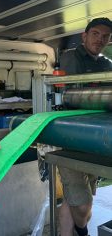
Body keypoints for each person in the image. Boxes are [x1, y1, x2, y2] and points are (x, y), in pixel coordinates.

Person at [59, 17, 112, 236]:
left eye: (105, 36)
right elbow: (72, 94)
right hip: (69, 136)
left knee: (76, 200)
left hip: (93, 139)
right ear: (85, 36)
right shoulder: (71, 57)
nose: (100, 40)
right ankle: (82, 233)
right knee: (82, 204)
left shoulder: (106, 64)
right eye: (95, 34)